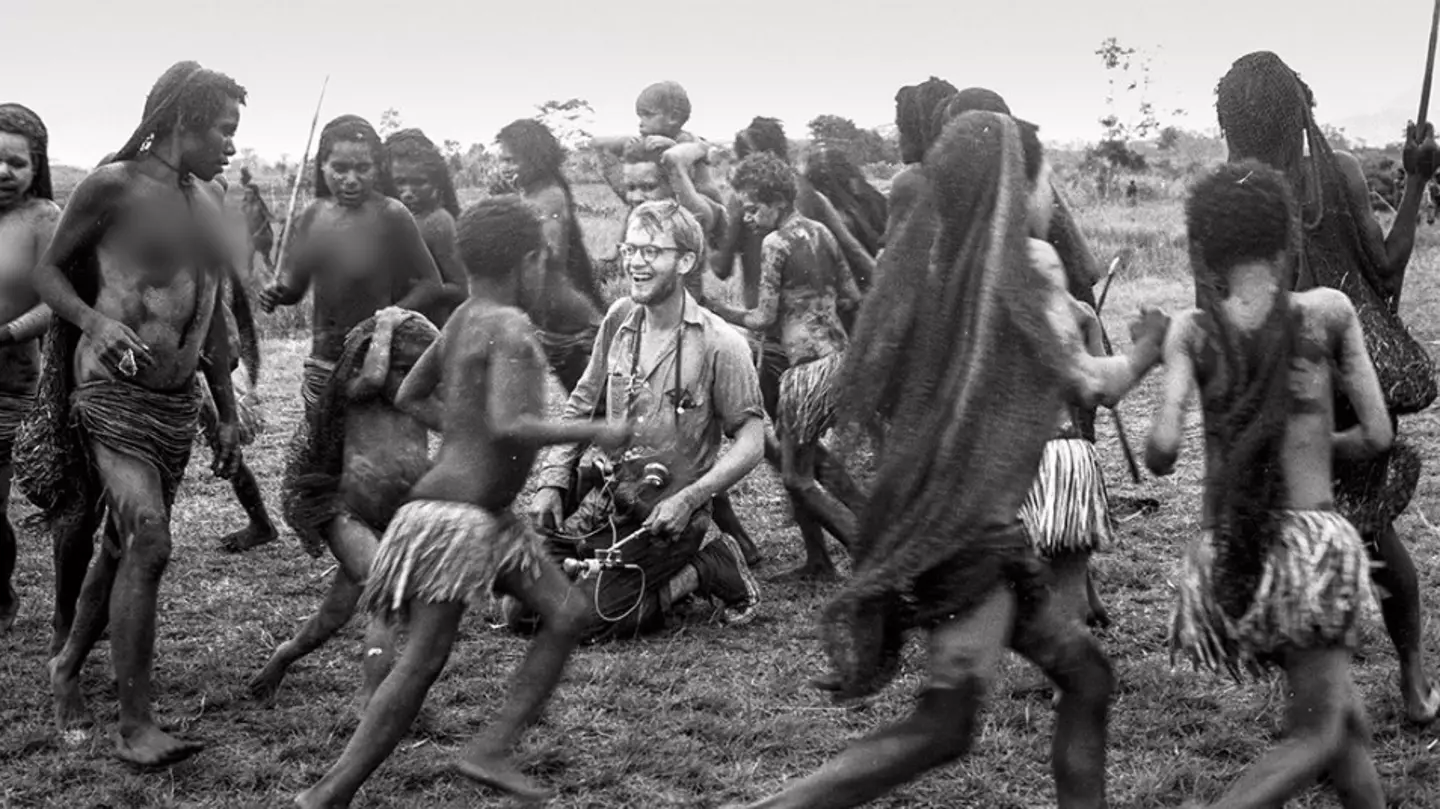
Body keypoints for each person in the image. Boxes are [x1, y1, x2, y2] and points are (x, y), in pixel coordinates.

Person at [733, 111, 1168, 809]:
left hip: (961, 526)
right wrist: (1149, 349)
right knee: (943, 725)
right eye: (1047, 179)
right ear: (1014, 186)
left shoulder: (936, 272)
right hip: (974, 541)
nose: (1050, 197)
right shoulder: (1030, 263)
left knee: (1087, 676)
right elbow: (1091, 382)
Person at [294, 196, 630, 807]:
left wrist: (461, 432)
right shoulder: (507, 324)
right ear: (530, 261)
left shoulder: (465, 317)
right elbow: (510, 422)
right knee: (422, 659)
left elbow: (413, 393)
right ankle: (328, 793)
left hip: (477, 516)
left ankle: (489, 749)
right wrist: (596, 431)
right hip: (455, 520)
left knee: (567, 614)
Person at [16, 61, 246, 767]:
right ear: (183, 121)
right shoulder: (112, 186)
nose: (232, 147)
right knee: (148, 535)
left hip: (175, 403)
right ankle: (136, 724)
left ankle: (64, 667)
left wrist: (227, 410)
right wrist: (93, 321)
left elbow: (210, 313)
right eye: (224, 131)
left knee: (121, 543)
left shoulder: (207, 199)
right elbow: (47, 273)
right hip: (110, 393)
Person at [1150, 161, 1389, 809]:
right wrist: (1311, 447)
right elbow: (1377, 435)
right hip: (1307, 555)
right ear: (1290, 240)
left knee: (1346, 726)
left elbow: (1164, 448)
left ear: (1204, 253)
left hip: (1231, 551)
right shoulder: (1328, 314)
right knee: (1316, 731)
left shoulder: (1191, 330)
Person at [1216, 50, 1440, 723]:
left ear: (1231, 119)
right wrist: (1413, 183)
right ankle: (1410, 682)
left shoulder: (1228, 196)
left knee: (1283, 549)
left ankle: (1315, 706)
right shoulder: (1337, 174)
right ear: (1298, 111)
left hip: (1275, 404)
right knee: (1377, 539)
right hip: (1349, 387)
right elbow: (1388, 268)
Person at [525, 199, 766, 643]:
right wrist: (551, 481)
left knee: (586, 622)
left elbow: (752, 441)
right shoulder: (618, 320)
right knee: (519, 606)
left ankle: (707, 565)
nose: (636, 262)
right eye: (630, 249)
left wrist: (690, 499)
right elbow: (582, 404)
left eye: (651, 251)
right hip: (606, 500)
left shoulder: (720, 344)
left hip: (668, 517)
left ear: (686, 261)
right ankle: (622, 578)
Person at [249, 307, 438, 707]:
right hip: (345, 512)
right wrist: (386, 324)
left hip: (391, 521)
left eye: (418, 369)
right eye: (402, 368)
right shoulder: (359, 391)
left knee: (333, 617)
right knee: (384, 593)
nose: (410, 378)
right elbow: (372, 376)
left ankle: (283, 656)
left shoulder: (415, 401)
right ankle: (370, 703)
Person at [709, 153, 861, 579]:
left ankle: (868, 553)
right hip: (838, 360)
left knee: (796, 477)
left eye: (754, 208)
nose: (750, 218)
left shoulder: (776, 244)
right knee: (807, 459)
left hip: (806, 373)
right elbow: (849, 295)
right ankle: (819, 560)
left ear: (776, 200)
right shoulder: (822, 233)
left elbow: (762, 318)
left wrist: (718, 310)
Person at [259, 115, 458, 416]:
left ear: (378, 168)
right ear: (322, 166)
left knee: (370, 456)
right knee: (324, 454)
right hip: (323, 360)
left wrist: (387, 319)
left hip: (372, 361)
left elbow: (431, 283)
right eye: (339, 168)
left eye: (362, 168)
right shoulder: (312, 216)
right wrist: (278, 293)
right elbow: (296, 288)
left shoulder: (392, 215)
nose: (351, 179)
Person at [0, 103, 59, 633]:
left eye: (16, 163)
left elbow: (56, 299)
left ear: (35, 164)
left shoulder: (44, 219)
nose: (3, 173)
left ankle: (1, 594)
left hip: (14, 385)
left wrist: (8, 333)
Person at [495, 118, 605, 391]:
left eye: (511, 161)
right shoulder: (531, 193)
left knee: (588, 394)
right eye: (503, 161)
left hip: (566, 313)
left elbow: (552, 253)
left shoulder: (548, 195)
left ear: (533, 159)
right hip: (556, 312)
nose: (505, 168)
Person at [594, 80, 725, 210]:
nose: (641, 123)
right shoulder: (648, 140)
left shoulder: (687, 139)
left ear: (673, 118)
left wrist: (673, 146)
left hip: (701, 204)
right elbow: (602, 143)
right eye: (640, 116)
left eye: (648, 115)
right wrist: (631, 143)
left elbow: (703, 154)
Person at [384, 128, 467, 325]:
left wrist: (419, 290)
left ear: (437, 184)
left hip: (429, 328)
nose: (408, 192)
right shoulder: (399, 216)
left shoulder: (438, 222)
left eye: (419, 183)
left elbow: (461, 288)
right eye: (400, 182)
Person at [238, 166, 275, 274]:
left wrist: (259, 232)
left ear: (255, 194)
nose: (248, 195)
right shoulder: (244, 205)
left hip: (263, 235)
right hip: (251, 235)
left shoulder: (259, 205)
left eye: (250, 193)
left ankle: (273, 275)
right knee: (249, 257)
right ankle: (249, 278)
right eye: (246, 193)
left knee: (266, 258)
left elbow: (268, 218)